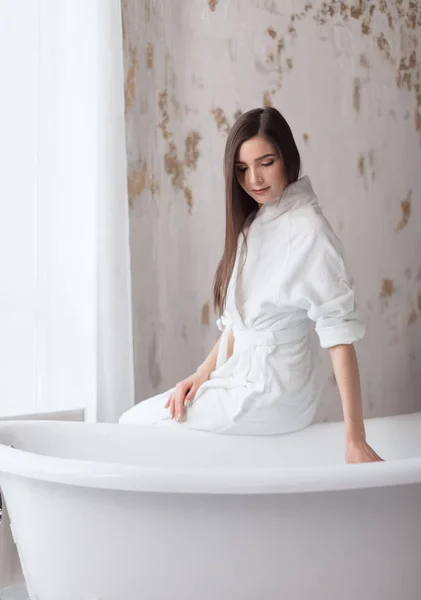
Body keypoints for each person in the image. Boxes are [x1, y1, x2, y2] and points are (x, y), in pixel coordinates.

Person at [119, 107, 383, 464]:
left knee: (135, 427)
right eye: (242, 169)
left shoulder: (309, 231)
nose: (254, 179)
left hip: (277, 390)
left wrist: (355, 438)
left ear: (287, 157)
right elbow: (238, 325)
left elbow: (339, 337)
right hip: (240, 376)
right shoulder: (253, 225)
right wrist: (200, 373)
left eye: (266, 162)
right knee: (130, 425)